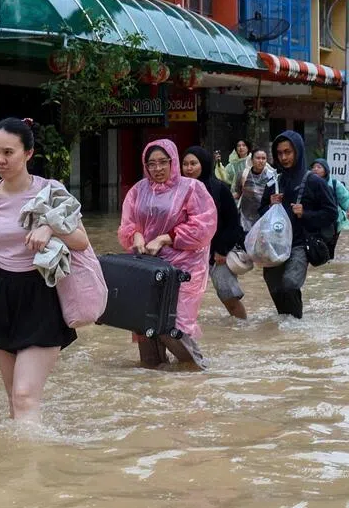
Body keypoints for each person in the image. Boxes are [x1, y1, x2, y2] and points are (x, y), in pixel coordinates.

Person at [0, 118, 87, 423]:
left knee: (24, 395)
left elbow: (82, 241)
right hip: (1, 295)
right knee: (13, 397)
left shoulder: (51, 191)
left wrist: (49, 227)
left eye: (9, 152)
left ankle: (32, 466)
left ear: (28, 153)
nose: (0, 160)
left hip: (41, 296)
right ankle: (15, 464)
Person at [117, 139, 217, 368]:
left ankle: (197, 369)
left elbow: (204, 226)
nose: (157, 168)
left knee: (172, 325)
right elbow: (127, 224)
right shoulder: (138, 190)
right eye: (151, 163)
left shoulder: (192, 188)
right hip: (147, 266)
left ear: (173, 162)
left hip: (184, 268)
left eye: (163, 162)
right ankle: (154, 383)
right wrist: (137, 236)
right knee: (145, 322)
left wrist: (165, 237)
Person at [257, 131, 337, 319]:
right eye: (279, 153)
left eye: (288, 152)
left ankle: (296, 324)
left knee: (291, 283)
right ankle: (286, 326)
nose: (284, 157)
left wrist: (305, 214)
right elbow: (260, 212)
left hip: (300, 243)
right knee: (274, 284)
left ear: (298, 151)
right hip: (275, 244)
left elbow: (331, 213)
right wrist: (270, 204)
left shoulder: (314, 182)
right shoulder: (274, 180)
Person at [183, 145, 247, 320]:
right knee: (184, 299)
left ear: (203, 164)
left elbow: (233, 222)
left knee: (229, 297)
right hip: (188, 255)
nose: (189, 168)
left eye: (193, 164)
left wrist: (222, 249)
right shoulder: (179, 190)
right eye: (185, 164)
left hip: (217, 255)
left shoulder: (219, 189)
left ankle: (242, 329)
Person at [234, 148, 276, 233]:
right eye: (258, 158)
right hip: (246, 216)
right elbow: (238, 193)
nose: (261, 161)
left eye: (263, 158)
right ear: (252, 160)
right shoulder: (243, 175)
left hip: (264, 216)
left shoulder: (271, 176)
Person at [311, 158, 349, 234]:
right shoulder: (308, 184)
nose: (315, 169)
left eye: (319, 167)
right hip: (315, 220)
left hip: (335, 221)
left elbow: (346, 199)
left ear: (326, 170)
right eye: (313, 167)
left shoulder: (334, 184)